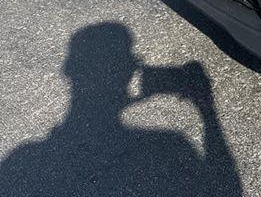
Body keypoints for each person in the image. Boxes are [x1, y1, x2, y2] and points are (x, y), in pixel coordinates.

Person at [0, 23, 244, 197]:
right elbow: (229, 188)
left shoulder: (19, 162)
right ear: (130, 71)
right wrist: (207, 109)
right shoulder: (170, 143)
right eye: (133, 61)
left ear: (68, 71)